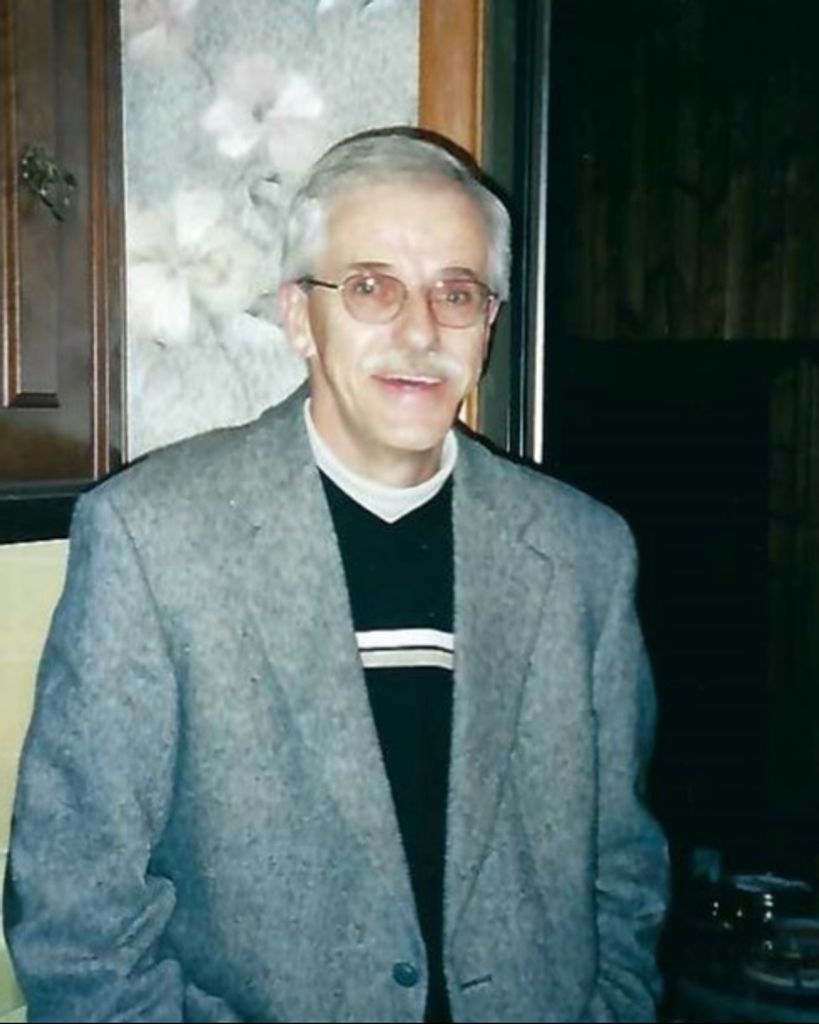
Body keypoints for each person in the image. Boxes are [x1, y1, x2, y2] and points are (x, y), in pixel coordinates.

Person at [4, 127, 668, 1023]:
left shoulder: (586, 554)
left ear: (488, 325)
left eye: (456, 293)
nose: (419, 331)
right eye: (369, 287)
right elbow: (74, 916)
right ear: (297, 317)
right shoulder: (151, 539)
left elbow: (623, 878)